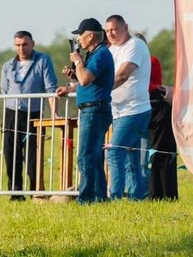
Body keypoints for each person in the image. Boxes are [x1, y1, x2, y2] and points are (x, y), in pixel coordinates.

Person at [55, 18, 114, 204]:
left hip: (95, 111)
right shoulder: (96, 53)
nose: (78, 39)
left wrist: (78, 62)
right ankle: (99, 199)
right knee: (94, 157)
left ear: (90, 35)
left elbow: (86, 79)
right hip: (92, 110)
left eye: (80, 35)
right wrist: (71, 83)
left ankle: (86, 200)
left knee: (85, 157)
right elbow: (84, 81)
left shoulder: (101, 54)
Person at [0, 30, 57, 200]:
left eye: (25, 44)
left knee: (33, 156)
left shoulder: (43, 61)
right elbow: (4, 89)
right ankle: (15, 193)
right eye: (18, 45)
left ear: (32, 44)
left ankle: (36, 191)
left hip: (33, 114)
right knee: (11, 155)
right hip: (11, 114)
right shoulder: (8, 66)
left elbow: (50, 88)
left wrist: (54, 112)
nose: (21, 48)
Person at [104, 15, 152, 201]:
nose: (111, 34)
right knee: (131, 159)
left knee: (115, 152)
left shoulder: (135, 46)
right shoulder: (112, 49)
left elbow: (122, 75)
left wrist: (100, 91)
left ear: (126, 27)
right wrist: (75, 86)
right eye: (107, 31)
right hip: (118, 111)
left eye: (114, 29)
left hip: (134, 110)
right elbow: (102, 76)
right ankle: (137, 198)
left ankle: (115, 197)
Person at [136, 34, 177, 201]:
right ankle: (145, 192)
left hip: (154, 107)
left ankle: (151, 193)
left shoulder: (152, 61)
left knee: (149, 154)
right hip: (141, 108)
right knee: (142, 155)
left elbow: (153, 83)